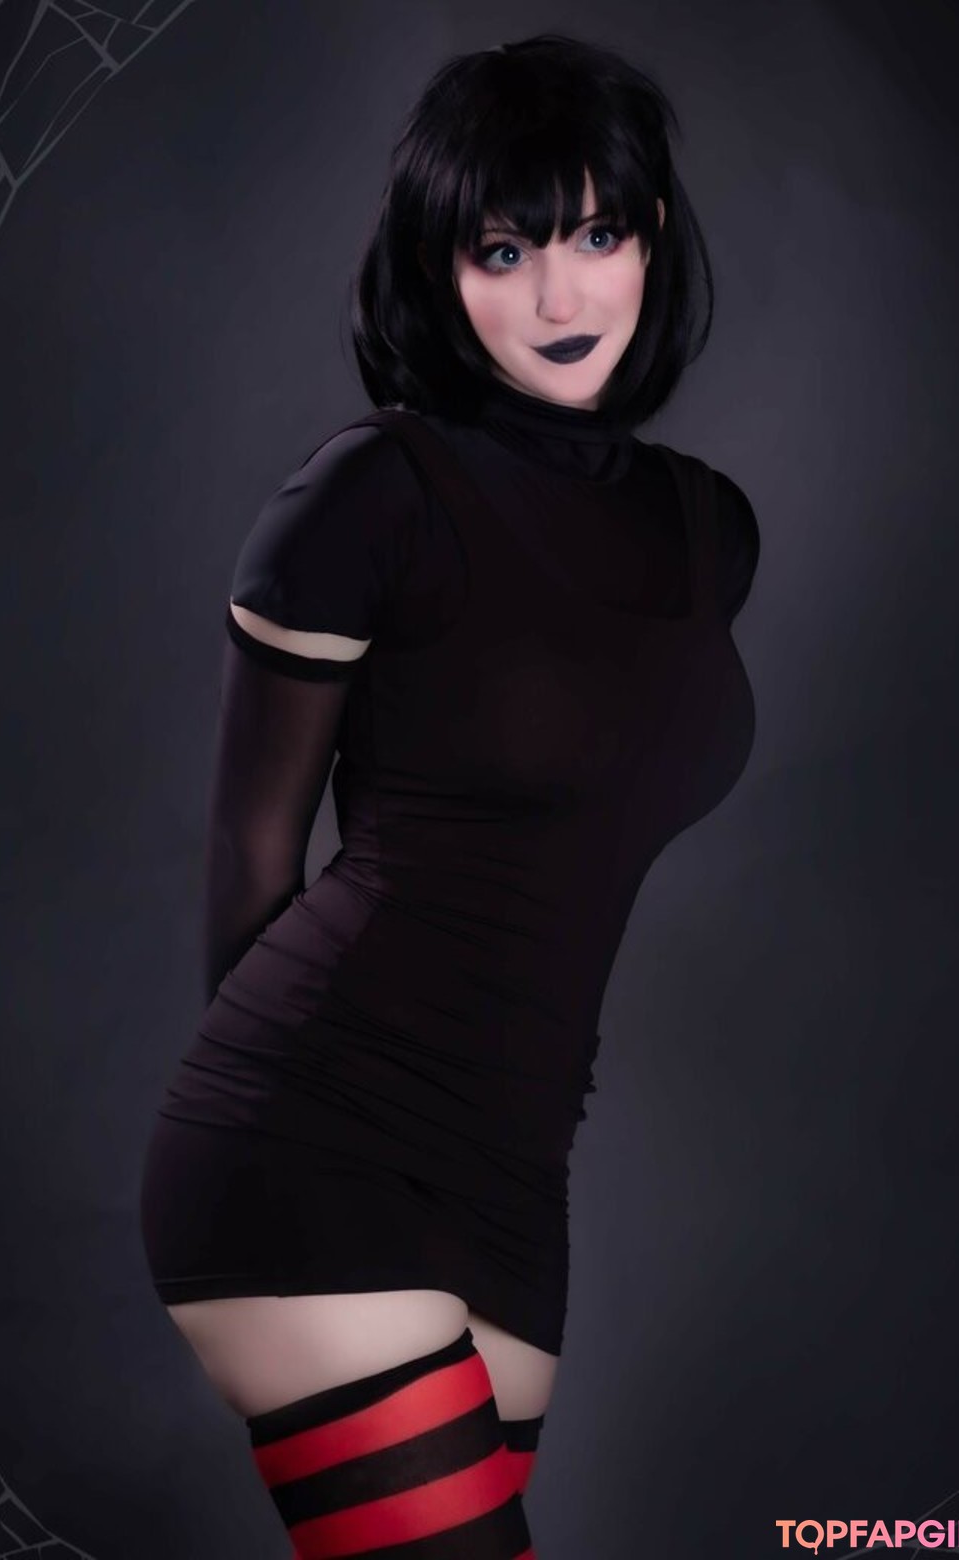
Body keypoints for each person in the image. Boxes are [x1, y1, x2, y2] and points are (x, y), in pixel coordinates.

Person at [138, 31, 759, 1559]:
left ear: (654, 239)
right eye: (504, 250)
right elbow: (252, 852)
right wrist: (302, 1120)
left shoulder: (709, 533)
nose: (560, 297)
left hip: (516, 1180)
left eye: (597, 235)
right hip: (314, 1139)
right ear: (440, 268)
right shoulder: (370, 496)